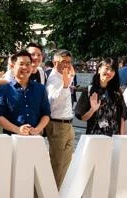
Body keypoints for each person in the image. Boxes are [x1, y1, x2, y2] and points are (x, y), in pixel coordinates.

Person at [0, 50, 50, 136]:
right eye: (21, 64)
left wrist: (37, 129)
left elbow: (46, 114)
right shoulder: (4, 89)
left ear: (31, 67)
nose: (25, 67)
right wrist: (18, 130)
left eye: (28, 64)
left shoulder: (40, 89)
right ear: (13, 67)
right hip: (11, 139)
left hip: (35, 138)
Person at [45, 49, 75, 188]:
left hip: (68, 123)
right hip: (57, 124)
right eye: (63, 62)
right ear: (55, 62)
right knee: (58, 164)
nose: (67, 65)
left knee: (66, 165)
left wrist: (68, 81)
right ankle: (53, 192)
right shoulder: (53, 78)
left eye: (69, 62)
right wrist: (64, 85)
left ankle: (60, 191)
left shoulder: (66, 76)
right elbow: (53, 100)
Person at [75, 58, 127, 136]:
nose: (109, 72)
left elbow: (122, 116)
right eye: (107, 68)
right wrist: (92, 110)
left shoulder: (117, 92)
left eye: (112, 70)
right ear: (99, 69)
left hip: (114, 136)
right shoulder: (89, 91)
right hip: (95, 136)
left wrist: (121, 137)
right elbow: (83, 118)